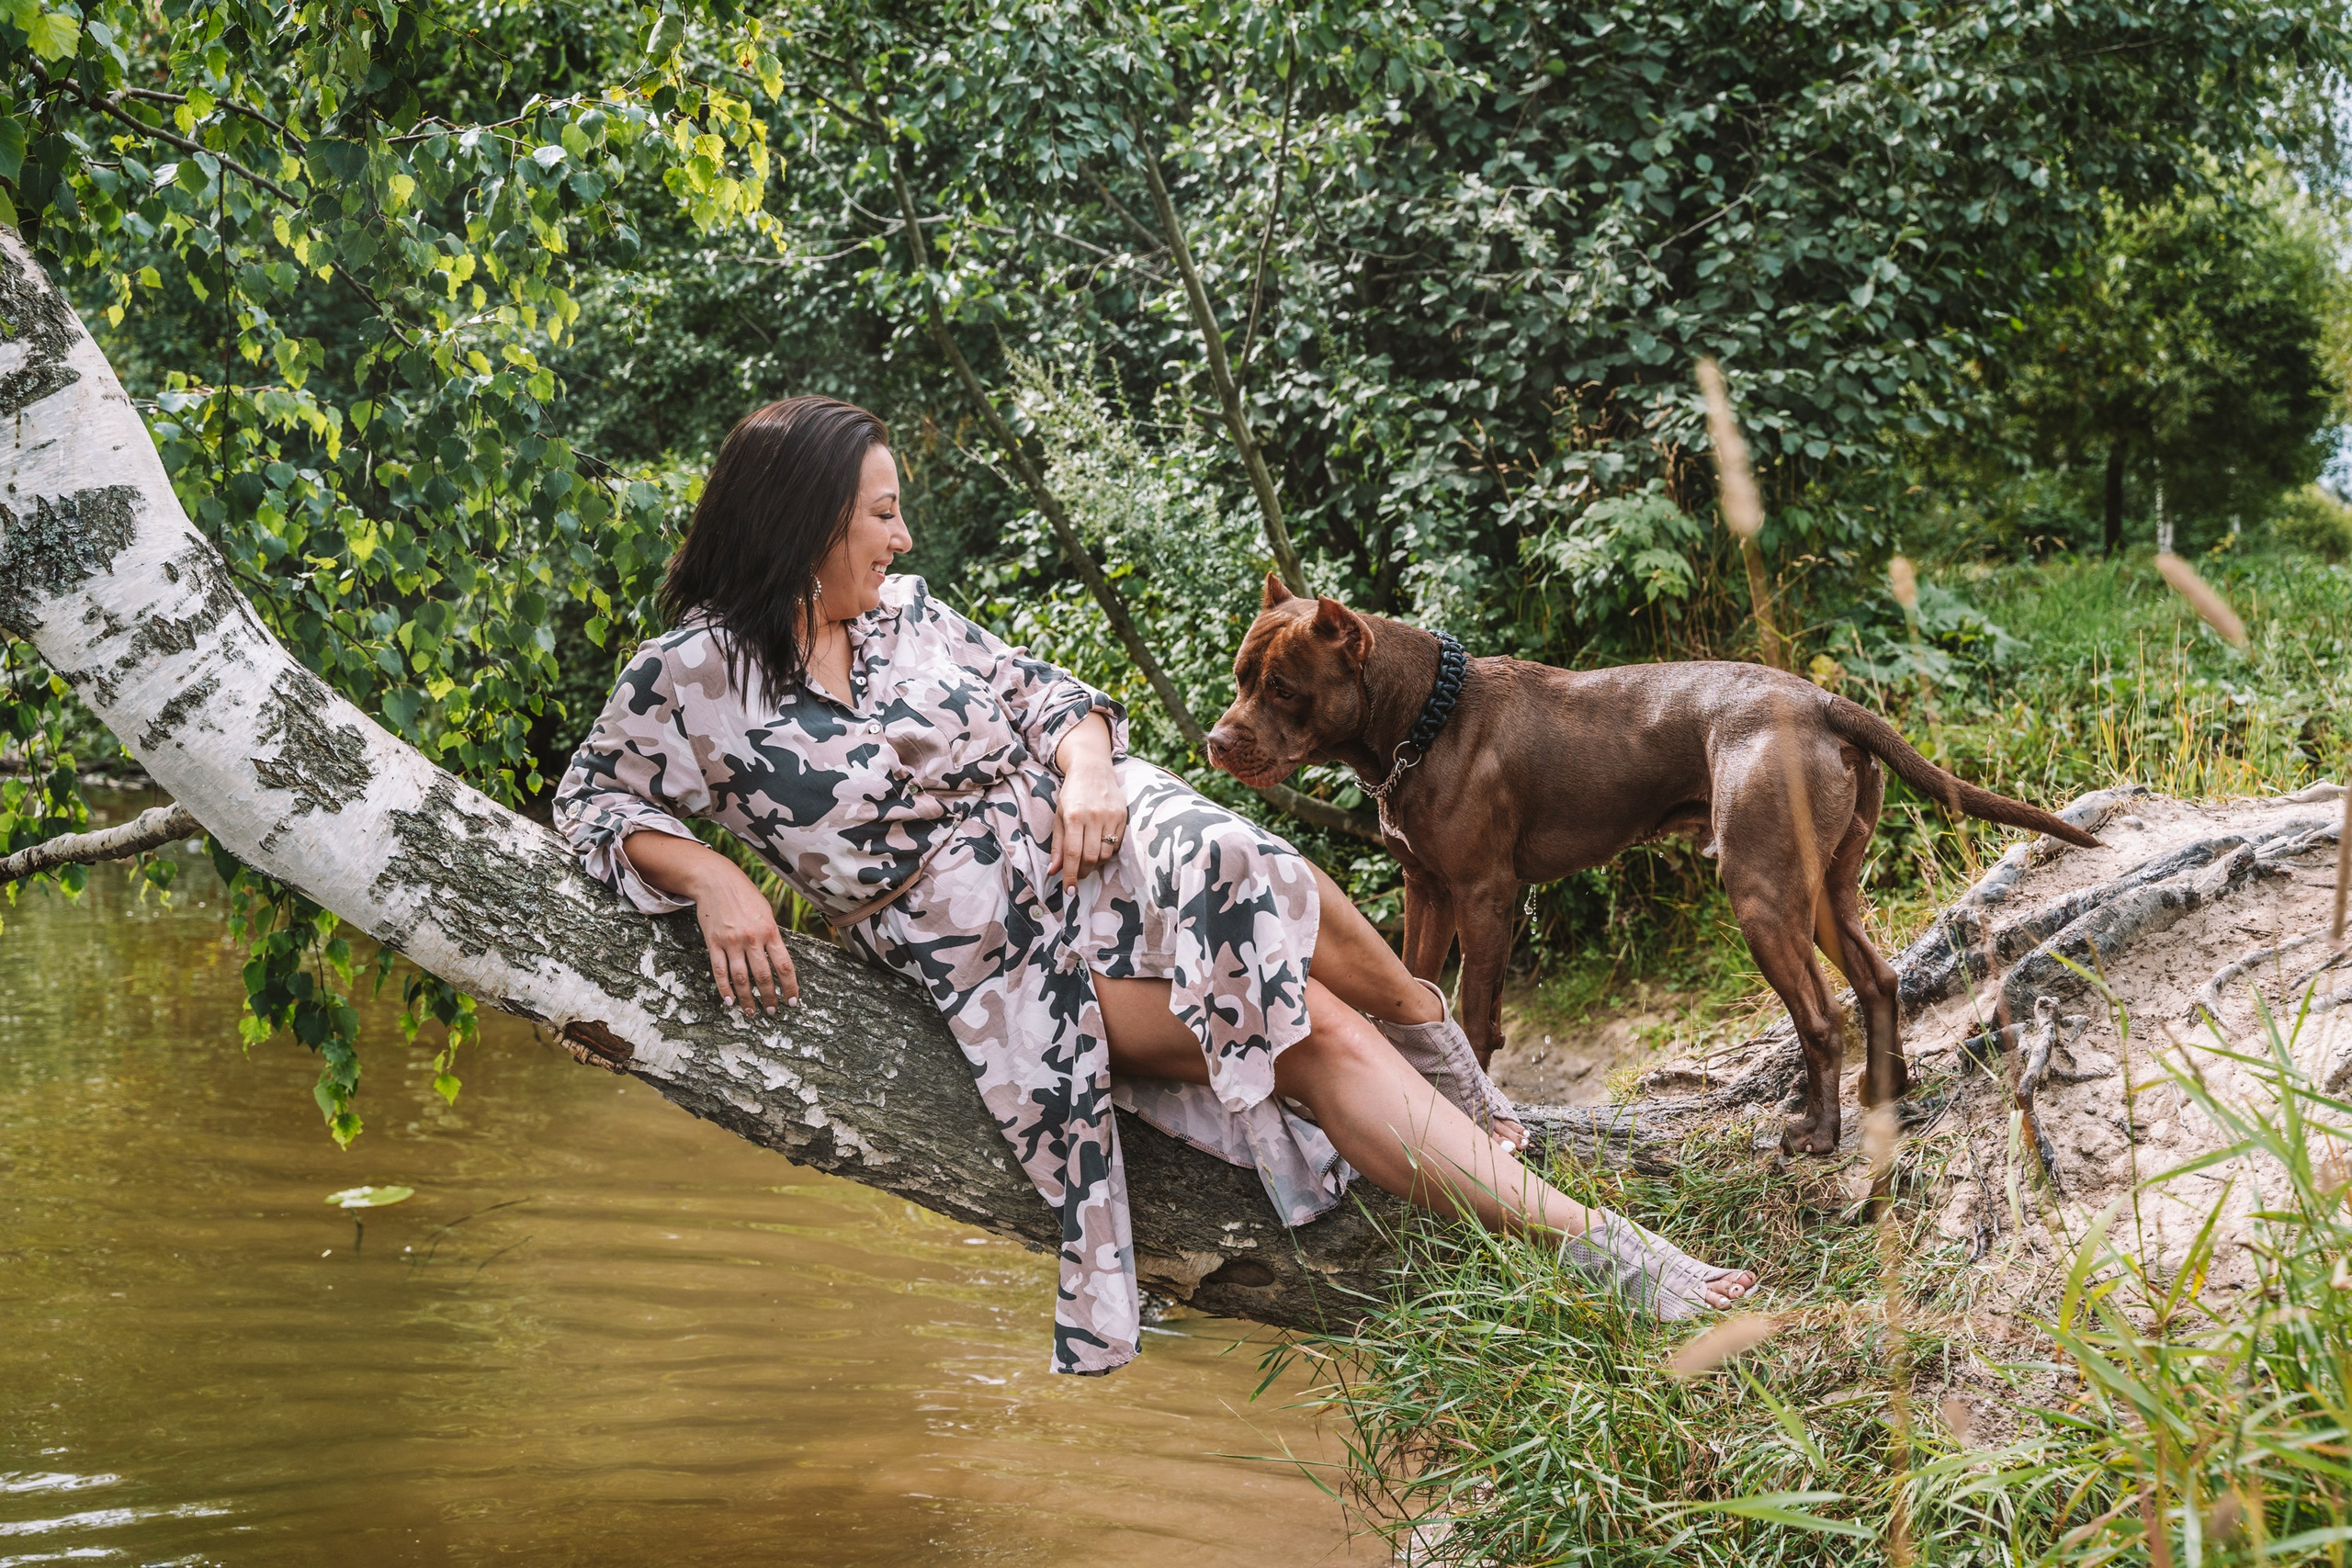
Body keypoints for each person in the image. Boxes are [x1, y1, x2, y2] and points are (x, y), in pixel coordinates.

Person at [554, 396, 1755, 1375]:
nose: (903, 539)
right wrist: (709, 872)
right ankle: (1606, 1247)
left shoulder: (905, 617)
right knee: (1301, 1024)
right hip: (995, 947)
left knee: (1256, 868)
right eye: (881, 513)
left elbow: (1055, 699)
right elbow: (592, 801)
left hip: (1098, 837)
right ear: (805, 519)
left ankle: (1444, 1053)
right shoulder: (688, 681)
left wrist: (1088, 771)